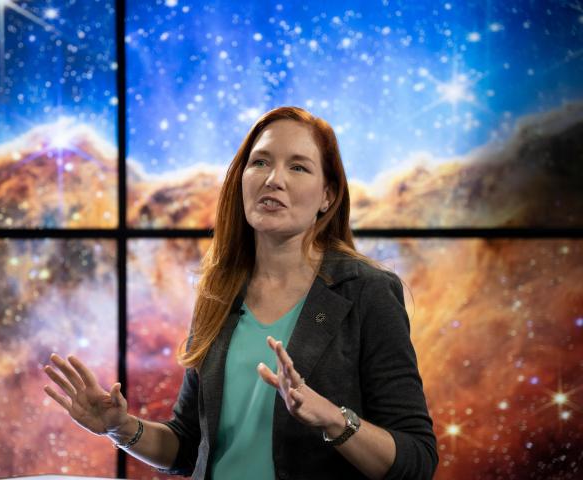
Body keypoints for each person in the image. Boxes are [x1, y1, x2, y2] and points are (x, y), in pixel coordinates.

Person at [43, 106, 438, 479]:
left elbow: (417, 460)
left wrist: (333, 419)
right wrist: (120, 427)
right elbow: (188, 445)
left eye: (298, 167)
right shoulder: (219, 291)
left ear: (327, 196)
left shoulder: (368, 292)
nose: (273, 179)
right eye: (260, 162)